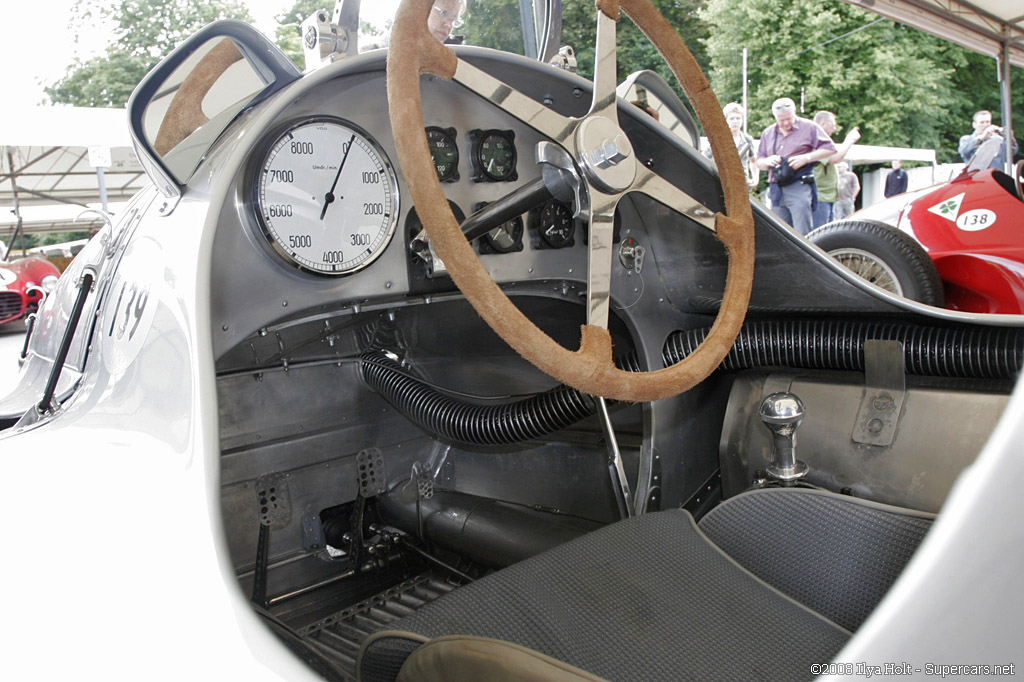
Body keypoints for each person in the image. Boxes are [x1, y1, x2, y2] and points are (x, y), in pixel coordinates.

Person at [755, 97, 836, 236]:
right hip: (776, 188)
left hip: (799, 186)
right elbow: (759, 161)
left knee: (802, 233)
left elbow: (830, 149)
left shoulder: (809, 127)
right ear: (774, 117)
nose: (786, 123)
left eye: (789, 118)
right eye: (781, 120)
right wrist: (768, 161)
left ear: (795, 112)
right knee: (780, 234)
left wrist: (806, 158)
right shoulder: (768, 133)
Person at [811, 110, 861, 228]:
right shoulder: (816, 141)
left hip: (827, 197)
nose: (834, 129)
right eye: (833, 125)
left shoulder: (821, 141)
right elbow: (835, 157)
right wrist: (849, 140)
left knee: (827, 231)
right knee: (820, 234)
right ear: (823, 124)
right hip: (820, 198)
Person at [704, 102, 758, 190]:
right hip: (722, 184)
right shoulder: (717, 139)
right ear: (725, 120)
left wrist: (755, 178)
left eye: (738, 118)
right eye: (732, 118)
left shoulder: (747, 139)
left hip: (743, 185)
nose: (735, 121)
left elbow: (753, 160)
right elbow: (705, 157)